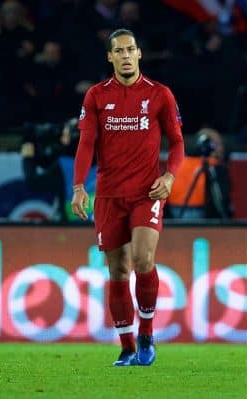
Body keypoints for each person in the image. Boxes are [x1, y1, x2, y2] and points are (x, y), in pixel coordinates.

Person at [71, 29, 185, 366]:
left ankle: (147, 333)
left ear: (139, 55)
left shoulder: (159, 94)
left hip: (146, 190)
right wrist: (79, 187)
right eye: (118, 51)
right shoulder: (95, 96)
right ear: (110, 57)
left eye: (131, 49)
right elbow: (86, 144)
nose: (125, 55)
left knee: (142, 259)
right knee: (118, 270)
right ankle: (127, 345)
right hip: (108, 194)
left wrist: (170, 175)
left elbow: (177, 142)